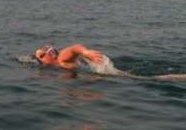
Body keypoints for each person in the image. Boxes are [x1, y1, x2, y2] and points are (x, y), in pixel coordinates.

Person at [34, 44, 186, 81]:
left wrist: (86, 52)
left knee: (150, 79)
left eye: (43, 54)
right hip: (98, 72)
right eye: (41, 56)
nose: (43, 57)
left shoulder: (61, 60)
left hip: (104, 72)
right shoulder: (58, 64)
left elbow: (74, 48)